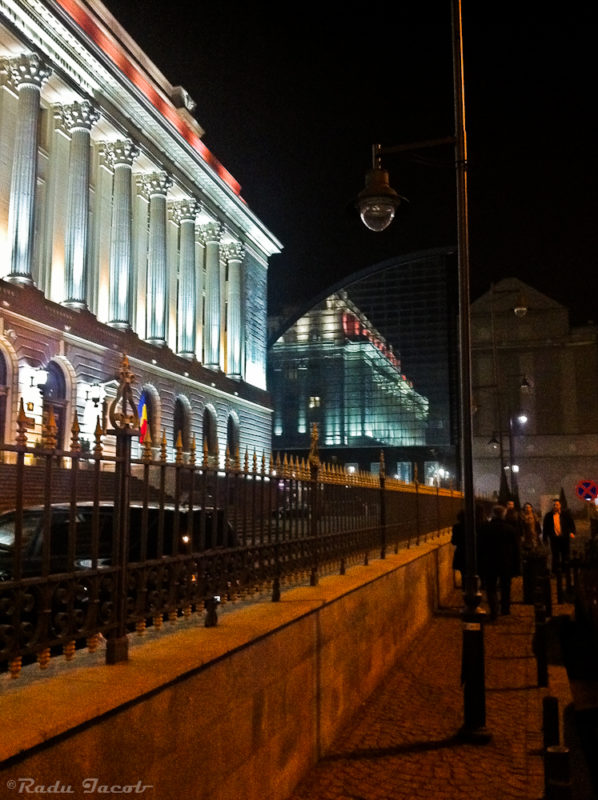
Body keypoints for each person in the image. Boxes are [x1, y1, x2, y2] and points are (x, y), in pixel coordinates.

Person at [478, 504, 521, 620]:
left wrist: (480, 563)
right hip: (505, 562)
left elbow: (480, 547)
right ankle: (505, 609)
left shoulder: (485, 528)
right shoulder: (510, 529)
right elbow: (516, 549)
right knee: (505, 587)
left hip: (490, 562)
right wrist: (517, 565)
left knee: (491, 588)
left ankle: (494, 610)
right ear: (504, 514)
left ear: (493, 514)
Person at [542, 498, 575, 572]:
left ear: (560, 506)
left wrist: (572, 532)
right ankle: (555, 571)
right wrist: (545, 538)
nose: (555, 506)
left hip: (564, 538)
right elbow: (545, 528)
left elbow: (571, 524)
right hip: (554, 539)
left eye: (557, 505)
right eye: (554, 505)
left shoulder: (565, 515)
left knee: (565, 555)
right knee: (555, 555)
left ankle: (565, 570)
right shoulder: (548, 516)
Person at [451, 510, 465, 587]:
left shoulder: (456, 527)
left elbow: (454, 541)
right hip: (473, 553)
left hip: (461, 552)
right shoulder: (474, 525)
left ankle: (465, 590)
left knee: (463, 573)